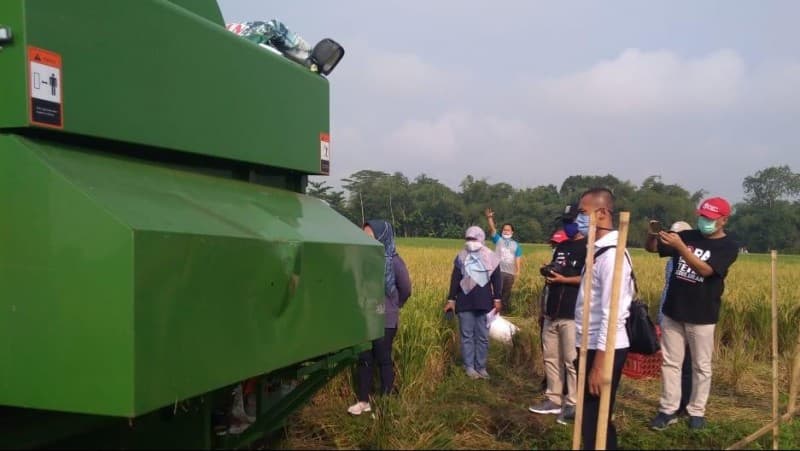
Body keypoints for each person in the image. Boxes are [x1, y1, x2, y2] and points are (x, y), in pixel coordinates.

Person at [646, 198, 739, 431]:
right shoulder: (688, 236)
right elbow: (653, 248)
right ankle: (668, 409)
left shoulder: (728, 247)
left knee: (701, 365)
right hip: (673, 311)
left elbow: (706, 270)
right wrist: (653, 233)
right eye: (703, 216)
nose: (705, 221)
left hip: (703, 314)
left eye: (710, 218)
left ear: (723, 220)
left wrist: (680, 248)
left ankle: (697, 411)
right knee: (671, 363)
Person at [573, 188, 633, 450]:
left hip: (603, 348)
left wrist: (599, 365)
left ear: (602, 213)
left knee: (595, 419)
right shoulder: (595, 250)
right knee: (591, 418)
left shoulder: (612, 255)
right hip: (589, 343)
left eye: (583, 213)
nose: (579, 219)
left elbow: (613, 313)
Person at [530, 204, 586, 425]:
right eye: (565, 222)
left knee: (571, 361)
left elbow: (590, 278)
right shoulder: (561, 246)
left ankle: (572, 402)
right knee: (551, 358)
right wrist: (550, 270)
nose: (568, 225)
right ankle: (553, 398)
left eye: (571, 221)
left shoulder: (589, 248)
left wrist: (564, 280)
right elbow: (557, 266)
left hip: (573, 313)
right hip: (552, 310)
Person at [348, 220, 412, 415]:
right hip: (365, 317)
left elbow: (406, 289)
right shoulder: (362, 260)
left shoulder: (394, 261)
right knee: (365, 358)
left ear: (382, 237)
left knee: (384, 359)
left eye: (370, 236)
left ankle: (385, 402)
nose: (366, 240)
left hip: (386, 318)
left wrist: (393, 305)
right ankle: (363, 401)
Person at [444, 225, 502, 379]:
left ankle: (481, 366)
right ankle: (469, 366)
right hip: (464, 301)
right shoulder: (461, 256)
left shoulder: (491, 256)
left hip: (484, 302)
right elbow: (455, 279)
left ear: (481, 239)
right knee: (467, 335)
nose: (470, 242)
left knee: (482, 336)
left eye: (473, 239)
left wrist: (497, 298)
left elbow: (497, 279)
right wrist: (451, 299)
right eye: (468, 239)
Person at [656, 220, 693, 416]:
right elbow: (667, 291)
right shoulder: (672, 259)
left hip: (689, 317)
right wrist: (661, 316)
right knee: (672, 364)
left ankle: (685, 405)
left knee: (687, 365)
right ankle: (672, 404)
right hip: (669, 316)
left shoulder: (694, 259)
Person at [485, 208, 522, 314]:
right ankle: (493, 313)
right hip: (498, 271)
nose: (506, 231)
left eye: (508, 230)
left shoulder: (516, 245)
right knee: (497, 293)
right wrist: (490, 218)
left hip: (510, 273)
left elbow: (517, 258)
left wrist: (518, 270)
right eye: (504, 230)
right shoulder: (498, 240)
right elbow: (492, 229)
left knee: (506, 294)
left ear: (512, 232)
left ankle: (503, 313)